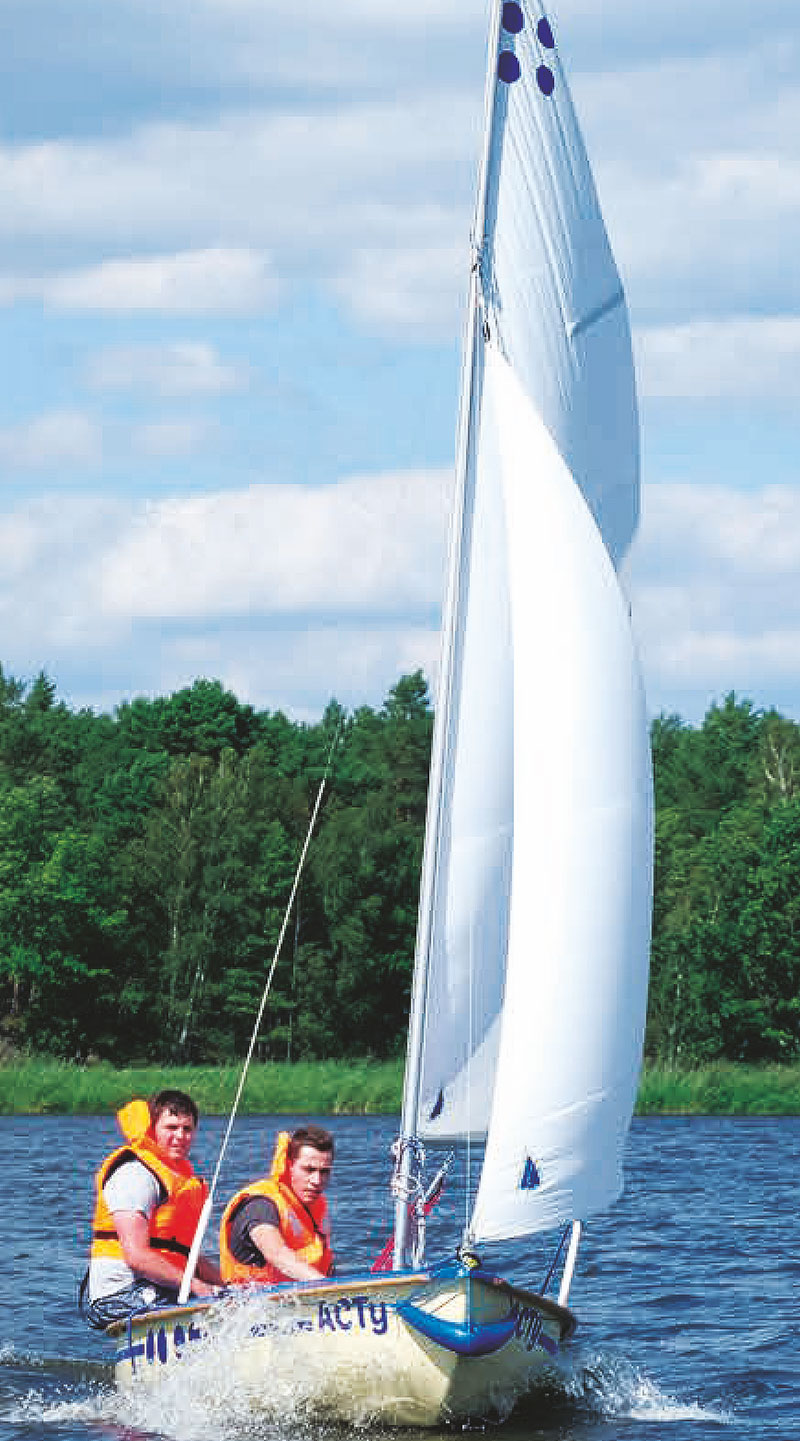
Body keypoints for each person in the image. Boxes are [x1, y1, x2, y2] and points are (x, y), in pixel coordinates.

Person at [84, 1089, 222, 1331]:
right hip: (118, 1294)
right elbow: (137, 1256)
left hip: (163, 1286)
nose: (180, 1136)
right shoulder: (135, 1174)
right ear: (153, 1129)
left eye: (187, 1129)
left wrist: (228, 1285)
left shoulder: (180, 1178)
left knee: (232, 1301)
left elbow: (188, 1257)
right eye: (171, 1127)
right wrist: (197, 1286)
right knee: (211, 1307)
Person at [219, 1124, 334, 1285]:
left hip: (306, 1299)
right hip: (253, 1304)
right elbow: (276, 1253)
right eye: (309, 1170)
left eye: (324, 1172)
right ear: (290, 1166)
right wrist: (330, 1288)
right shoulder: (261, 1206)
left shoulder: (317, 1208)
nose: (317, 1181)